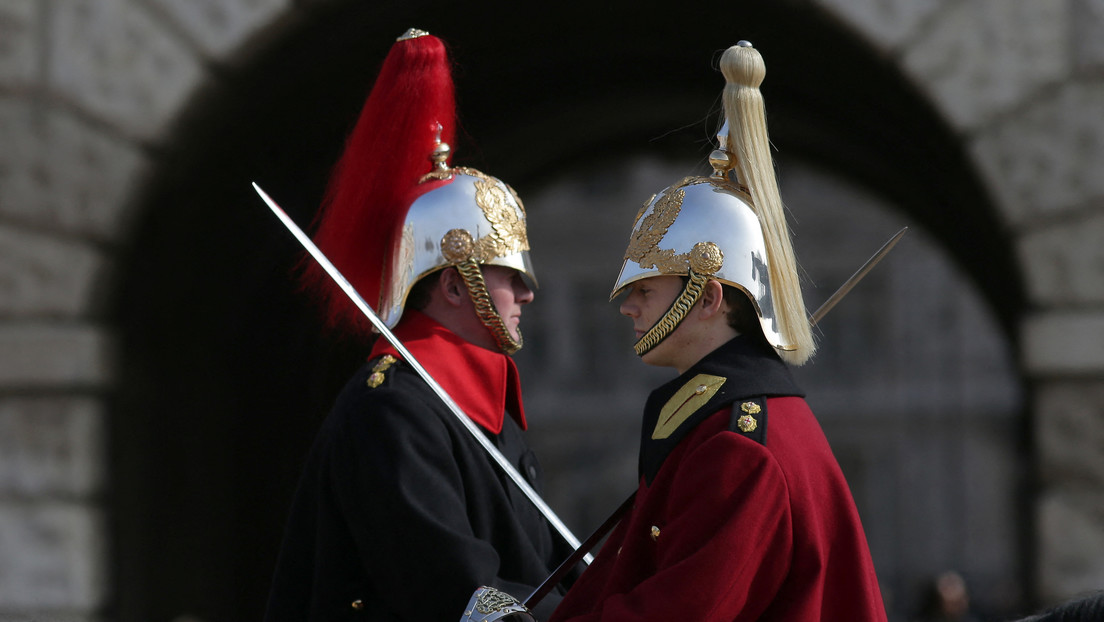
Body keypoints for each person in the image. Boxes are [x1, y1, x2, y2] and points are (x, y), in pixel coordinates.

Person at [544, 41, 888, 621]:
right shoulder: (718, 424)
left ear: (706, 298)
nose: (628, 309)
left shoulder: (737, 446)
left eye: (645, 292)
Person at [264, 29, 570, 622]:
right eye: (511, 275)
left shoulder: (478, 408)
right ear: (456, 285)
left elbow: (541, 571)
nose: (528, 294)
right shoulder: (396, 409)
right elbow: (457, 591)